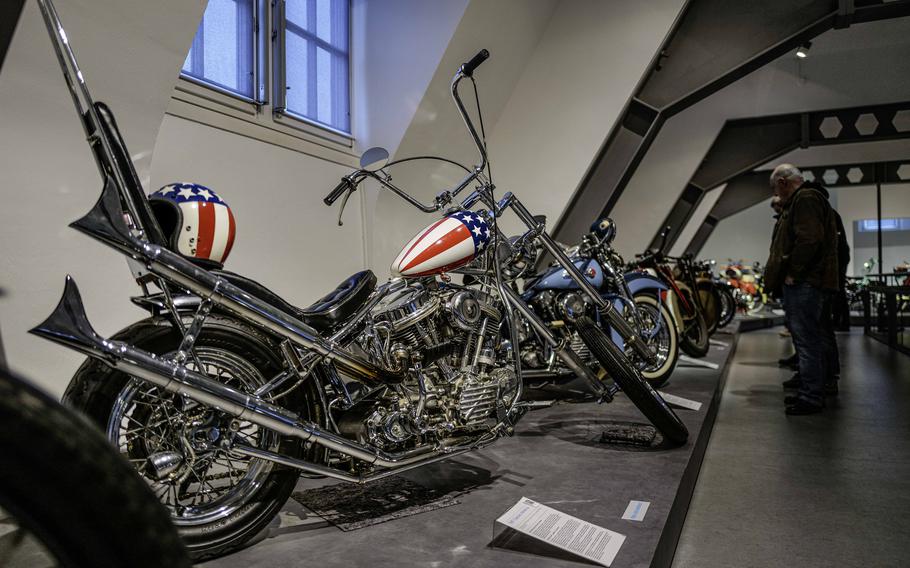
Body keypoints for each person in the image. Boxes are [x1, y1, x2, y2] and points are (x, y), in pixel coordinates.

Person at [764, 164, 840, 415]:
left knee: (807, 340)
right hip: (811, 281)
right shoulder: (807, 198)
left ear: (784, 182)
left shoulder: (805, 199)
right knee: (811, 338)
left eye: (777, 187)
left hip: (806, 282)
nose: (778, 193)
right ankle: (813, 389)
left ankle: (811, 396)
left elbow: (809, 239)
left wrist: (793, 273)